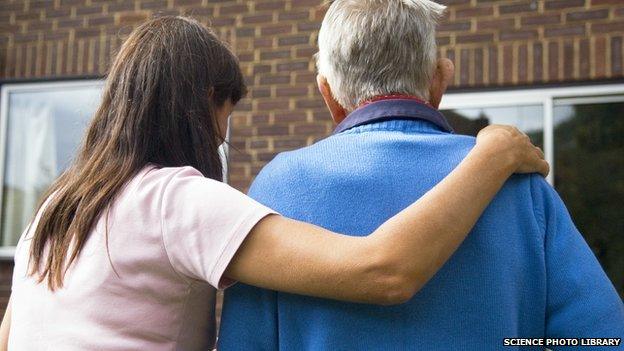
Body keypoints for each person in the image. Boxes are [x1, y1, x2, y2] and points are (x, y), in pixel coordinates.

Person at [0, 16, 547, 351]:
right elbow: (385, 271)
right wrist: (490, 156)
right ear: (201, 105)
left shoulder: (57, 209)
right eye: (226, 112)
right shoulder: (175, 199)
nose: (221, 135)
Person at [218, 1, 624, 350]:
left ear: (328, 94)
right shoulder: (517, 182)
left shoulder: (279, 187)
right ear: (439, 80)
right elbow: (602, 337)